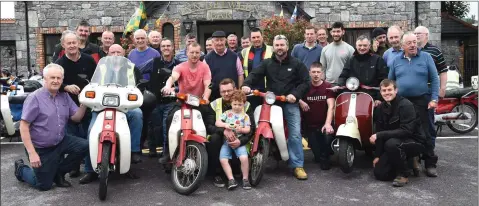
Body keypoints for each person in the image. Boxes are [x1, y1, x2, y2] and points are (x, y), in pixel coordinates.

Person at [242, 35, 311, 180]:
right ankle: (255, 157)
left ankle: (297, 165)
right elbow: (255, 74)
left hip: (289, 101)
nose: (279, 48)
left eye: (282, 45)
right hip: (272, 101)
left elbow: (306, 82)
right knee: (258, 126)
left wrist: (295, 94)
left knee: (295, 133)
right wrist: (247, 85)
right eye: (277, 45)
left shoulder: (296, 63)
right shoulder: (267, 63)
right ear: (273, 47)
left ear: (287, 47)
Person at [13, 63, 88, 191]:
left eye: (58, 78)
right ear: (45, 79)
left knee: (86, 145)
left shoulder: (64, 96)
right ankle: (21, 169)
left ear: (62, 80)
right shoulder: (34, 98)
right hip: (41, 148)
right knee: (43, 185)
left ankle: (59, 172)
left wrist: (84, 103)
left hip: (61, 142)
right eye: (52, 77)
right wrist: (32, 153)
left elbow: (76, 117)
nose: (55, 81)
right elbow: (24, 126)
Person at [79, 44, 144, 184]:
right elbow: (92, 83)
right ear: (107, 53)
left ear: (124, 53)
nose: (115, 55)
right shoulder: (100, 67)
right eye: (112, 52)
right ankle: (90, 170)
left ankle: (133, 152)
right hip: (101, 107)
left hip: (124, 107)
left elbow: (138, 85)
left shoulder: (131, 68)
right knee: (91, 131)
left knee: (137, 114)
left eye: (118, 52)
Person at [388, 32, 439, 177]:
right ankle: (410, 162)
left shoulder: (426, 57)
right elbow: (390, 82)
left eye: (414, 42)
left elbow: (435, 79)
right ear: (403, 45)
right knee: (405, 132)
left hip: (422, 100)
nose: (412, 45)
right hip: (402, 102)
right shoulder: (396, 61)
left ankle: (430, 163)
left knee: (426, 132)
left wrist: (434, 98)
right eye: (409, 43)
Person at [161, 42, 212, 163]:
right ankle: (169, 153)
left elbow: (208, 84)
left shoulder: (204, 67)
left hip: (199, 102)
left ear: (200, 53)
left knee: (209, 122)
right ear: (187, 53)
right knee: (169, 120)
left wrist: (206, 97)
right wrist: (168, 87)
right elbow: (172, 77)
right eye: (192, 52)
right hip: (182, 102)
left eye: (197, 53)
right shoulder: (181, 67)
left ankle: (207, 154)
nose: (194, 55)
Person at [55, 31, 96, 178]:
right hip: (67, 107)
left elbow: (97, 80)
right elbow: (53, 83)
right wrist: (65, 86)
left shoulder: (89, 60)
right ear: (63, 45)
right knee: (72, 139)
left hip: (89, 105)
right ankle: (74, 167)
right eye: (69, 43)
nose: (72, 45)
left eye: (74, 42)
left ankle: (91, 171)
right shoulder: (59, 65)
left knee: (89, 137)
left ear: (79, 43)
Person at [371, 79, 426, 187]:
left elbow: (406, 131)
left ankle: (404, 174)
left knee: (391, 144)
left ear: (396, 90)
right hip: (395, 142)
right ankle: (407, 161)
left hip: (414, 141)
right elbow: (379, 130)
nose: (387, 93)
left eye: (390, 89)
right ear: (381, 92)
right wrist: (378, 155)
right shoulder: (380, 108)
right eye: (384, 90)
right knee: (380, 174)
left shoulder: (406, 105)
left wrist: (379, 135)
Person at [204, 78, 255, 188]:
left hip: (239, 140)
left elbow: (252, 129)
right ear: (219, 91)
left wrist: (240, 141)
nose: (226, 94)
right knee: (214, 138)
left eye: (229, 90)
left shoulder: (246, 105)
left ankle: (241, 174)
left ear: (235, 89)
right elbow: (209, 126)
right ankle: (217, 173)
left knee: (241, 158)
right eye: (223, 91)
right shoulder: (214, 104)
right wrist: (224, 131)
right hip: (222, 140)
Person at [139, 38, 180, 158]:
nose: (166, 48)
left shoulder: (178, 64)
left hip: (171, 101)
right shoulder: (153, 61)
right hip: (154, 100)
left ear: (173, 47)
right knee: (152, 126)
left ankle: (166, 154)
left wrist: (176, 89)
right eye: (163, 46)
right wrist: (143, 85)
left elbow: (183, 82)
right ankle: (152, 151)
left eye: (168, 46)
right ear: (160, 48)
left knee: (166, 127)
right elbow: (138, 70)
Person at [415, 26, 448, 152]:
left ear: (427, 35)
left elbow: (443, 71)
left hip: (429, 92)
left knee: (428, 123)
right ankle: (416, 153)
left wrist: (442, 88)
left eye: (419, 33)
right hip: (414, 94)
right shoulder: (410, 51)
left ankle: (429, 153)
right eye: (415, 33)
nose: (417, 35)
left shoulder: (435, 51)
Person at [298, 62, 335, 170]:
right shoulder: (305, 86)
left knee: (327, 138)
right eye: (313, 72)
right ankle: (322, 154)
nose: (316, 74)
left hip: (324, 124)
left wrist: (328, 123)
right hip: (310, 126)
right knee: (317, 157)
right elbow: (294, 95)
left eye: (318, 72)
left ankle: (326, 156)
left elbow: (331, 106)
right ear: (309, 73)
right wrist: (301, 101)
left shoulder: (328, 87)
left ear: (322, 73)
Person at [336, 35, 388, 106]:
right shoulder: (351, 60)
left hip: (372, 97)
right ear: (356, 46)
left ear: (369, 46)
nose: (362, 48)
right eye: (360, 45)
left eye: (365, 45)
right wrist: (341, 88)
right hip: (353, 96)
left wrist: (379, 98)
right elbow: (343, 76)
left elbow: (383, 80)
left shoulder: (378, 60)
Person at [215, 90, 252, 190]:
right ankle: (231, 179)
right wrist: (225, 125)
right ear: (231, 103)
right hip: (227, 142)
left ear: (244, 104)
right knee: (223, 159)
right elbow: (217, 122)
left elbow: (248, 129)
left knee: (244, 158)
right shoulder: (227, 113)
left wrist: (242, 129)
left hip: (239, 142)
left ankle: (245, 179)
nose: (237, 106)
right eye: (234, 104)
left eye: (240, 104)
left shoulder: (245, 116)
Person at [239, 27, 274, 110]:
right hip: (250, 90)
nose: (256, 39)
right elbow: (240, 71)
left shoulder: (272, 49)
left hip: (267, 89)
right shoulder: (244, 52)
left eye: (258, 37)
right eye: (254, 37)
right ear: (250, 39)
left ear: (262, 37)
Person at [205, 30, 244, 101]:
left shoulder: (234, 56)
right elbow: (205, 79)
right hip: (214, 96)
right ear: (213, 42)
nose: (219, 43)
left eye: (221, 40)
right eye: (217, 40)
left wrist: (239, 91)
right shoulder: (207, 59)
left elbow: (240, 74)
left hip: (232, 96)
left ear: (225, 41)